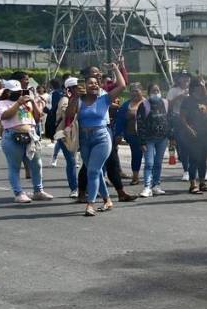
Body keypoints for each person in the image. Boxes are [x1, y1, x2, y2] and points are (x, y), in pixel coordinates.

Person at [68, 63, 125, 216]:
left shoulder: (105, 99)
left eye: (95, 83)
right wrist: (74, 97)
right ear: (84, 85)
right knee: (97, 172)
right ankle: (107, 200)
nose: (93, 85)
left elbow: (122, 85)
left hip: (102, 137)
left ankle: (90, 204)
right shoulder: (79, 100)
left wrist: (115, 68)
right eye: (89, 83)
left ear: (99, 85)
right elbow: (69, 115)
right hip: (84, 139)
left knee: (92, 171)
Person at [0, 78, 52, 203]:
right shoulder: (2, 103)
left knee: (37, 164)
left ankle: (38, 191)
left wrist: (32, 101)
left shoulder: (27, 102)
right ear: (8, 92)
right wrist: (18, 103)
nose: (19, 93)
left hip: (30, 136)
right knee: (14, 166)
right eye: (15, 92)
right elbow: (5, 116)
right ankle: (18, 193)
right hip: (12, 137)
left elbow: (38, 117)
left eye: (20, 91)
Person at [180, 77, 207, 195]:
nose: (201, 88)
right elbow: (182, 117)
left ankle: (202, 183)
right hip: (193, 133)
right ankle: (193, 184)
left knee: (203, 160)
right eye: (199, 86)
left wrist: (204, 89)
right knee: (194, 159)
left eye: (203, 86)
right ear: (193, 87)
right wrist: (188, 128)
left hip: (206, 133)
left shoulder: (206, 100)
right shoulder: (187, 100)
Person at [137, 84, 171, 198]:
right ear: (148, 92)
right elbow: (140, 124)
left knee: (158, 163)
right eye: (153, 90)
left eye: (157, 90)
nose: (156, 92)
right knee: (149, 163)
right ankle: (147, 187)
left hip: (163, 138)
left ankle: (156, 185)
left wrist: (171, 137)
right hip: (148, 139)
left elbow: (169, 120)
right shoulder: (144, 105)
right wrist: (142, 142)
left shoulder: (165, 103)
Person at [51, 77, 80, 198]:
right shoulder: (65, 99)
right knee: (71, 162)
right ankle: (74, 188)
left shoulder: (85, 99)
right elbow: (67, 114)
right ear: (71, 89)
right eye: (77, 87)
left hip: (79, 134)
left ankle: (87, 187)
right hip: (65, 134)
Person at [115, 82, 147, 185]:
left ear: (142, 91)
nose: (134, 93)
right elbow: (120, 121)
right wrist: (119, 134)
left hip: (148, 136)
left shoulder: (148, 103)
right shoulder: (126, 105)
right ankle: (135, 177)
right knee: (136, 155)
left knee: (150, 157)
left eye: (137, 91)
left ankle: (151, 178)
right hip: (133, 135)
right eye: (132, 91)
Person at [167, 73, 192, 181]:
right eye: (183, 77)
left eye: (187, 77)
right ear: (179, 79)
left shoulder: (194, 89)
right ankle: (186, 170)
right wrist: (179, 97)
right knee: (183, 146)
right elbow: (168, 106)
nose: (185, 79)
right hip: (178, 119)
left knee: (196, 146)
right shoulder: (173, 90)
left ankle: (200, 170)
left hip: (193, 120)